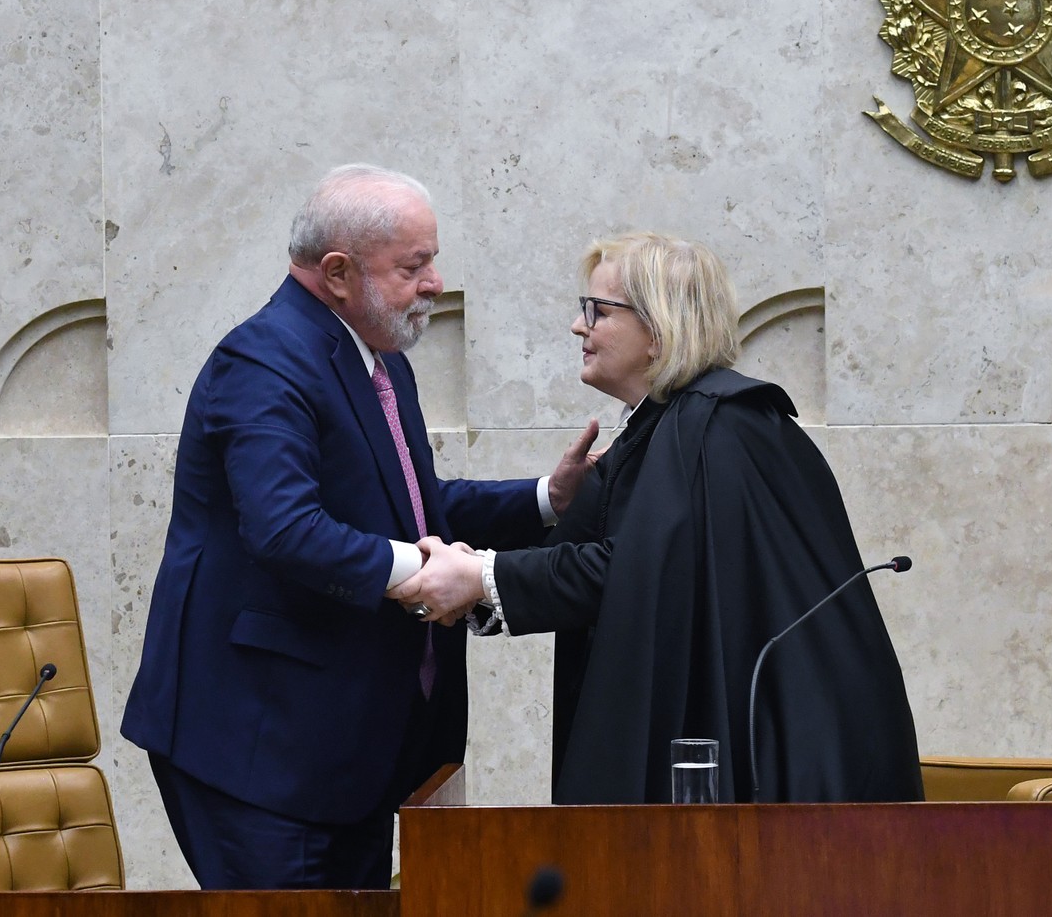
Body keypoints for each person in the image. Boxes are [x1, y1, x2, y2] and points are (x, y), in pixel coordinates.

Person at [120, 164, 597, 888]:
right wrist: (426, 576)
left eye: (431, 259)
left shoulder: (376, 356)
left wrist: (545, 499)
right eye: (415, 265)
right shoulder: (262, 361)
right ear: (337, 272)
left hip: (351, 751)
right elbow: (284, 528)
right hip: (260, 749)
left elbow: (410, 505)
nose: (435, 282)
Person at [391, 232, 924, 805]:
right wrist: (479, 578)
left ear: (659, 329)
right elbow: (593, 563)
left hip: (752, 755)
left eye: (597, 310)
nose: (579, 327)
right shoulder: (664, 425)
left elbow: (633, 570)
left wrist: (480, 578)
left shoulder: (719, 428)